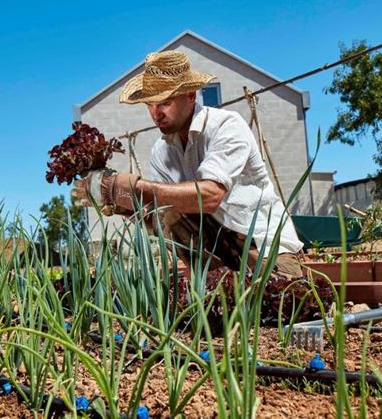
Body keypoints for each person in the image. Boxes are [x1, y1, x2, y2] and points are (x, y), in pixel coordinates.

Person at [73, 50, 305, 278]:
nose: (156, 114)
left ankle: (245, 287)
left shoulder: (226, 126)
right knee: (169, 213)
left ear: (191, 96)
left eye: (164, 102)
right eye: (149, 105)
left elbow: (210, 196)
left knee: (278, 304)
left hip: (267, 250)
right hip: (221, 251)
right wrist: (124, 206)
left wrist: (136, 187)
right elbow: (161, 219)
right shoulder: (161, 151)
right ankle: (214, 288)